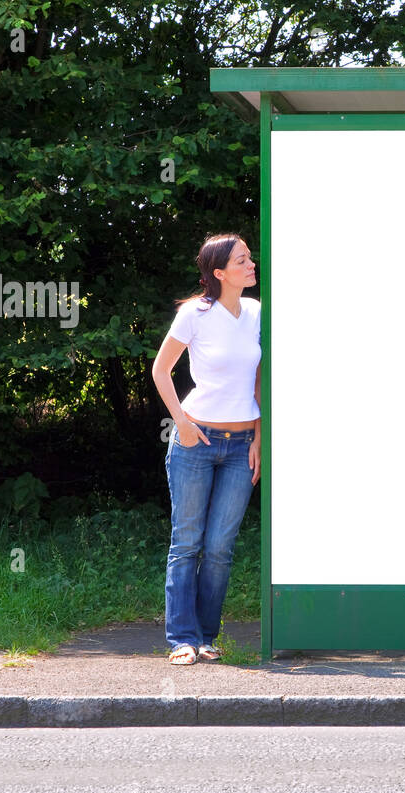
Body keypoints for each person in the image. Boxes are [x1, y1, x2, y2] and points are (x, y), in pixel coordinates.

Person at [151, 234, 261, 665]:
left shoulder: (256, 313)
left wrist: (259, 437)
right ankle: (182, 639)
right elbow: (161, 370)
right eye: (242, 260)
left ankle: (207, 637)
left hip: (240, 448)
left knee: (219, 546)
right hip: (195, 442)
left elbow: (259, 380)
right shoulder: (194, 314)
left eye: (250, 258)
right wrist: (182, 422)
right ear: (219, 273)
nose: (251, 265)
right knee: (187, 542)